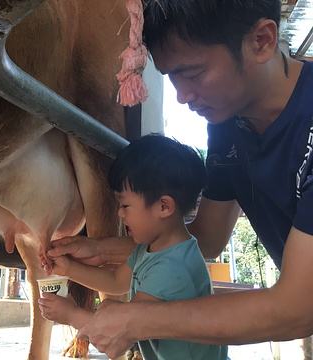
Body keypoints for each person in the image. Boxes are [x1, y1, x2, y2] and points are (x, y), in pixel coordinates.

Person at [40, 0, 313, 358]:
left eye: (194, 74)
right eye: (172, 78)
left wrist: (138, 320)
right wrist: (100, 249)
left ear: (261, 40)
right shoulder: (227, 123)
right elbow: (204, 239)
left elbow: (298, 307)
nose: (182, 96)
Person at [39, 134, 227, 359]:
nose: (120, 213)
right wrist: (67, 269)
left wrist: (70, 315)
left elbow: (121, 329)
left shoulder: (171, 269)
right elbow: (115, 281)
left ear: (164, 206)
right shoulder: (151, 248)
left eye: (125, 204)